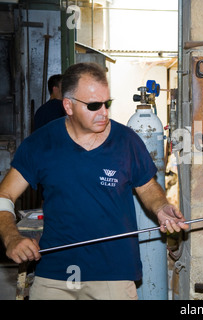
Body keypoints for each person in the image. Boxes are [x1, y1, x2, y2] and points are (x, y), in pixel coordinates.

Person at [0, 62, 188, 300]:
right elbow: (4, 196)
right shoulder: (41, 144)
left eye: (107, 103)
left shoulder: (126, 141)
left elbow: (147, 186)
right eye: (94, 105)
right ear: (68, 105)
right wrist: (11, 237)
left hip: (113, 274)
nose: (104, 112)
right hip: (55, 274)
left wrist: (161, 207)